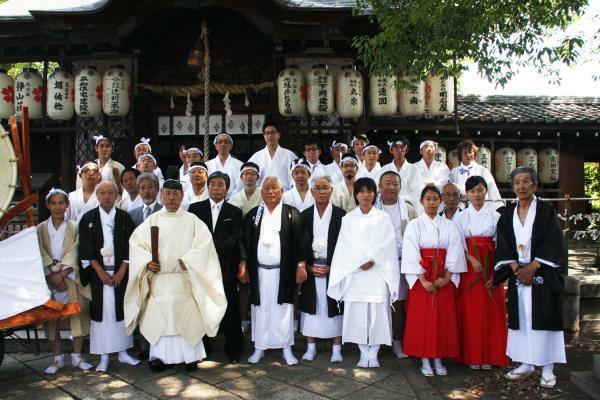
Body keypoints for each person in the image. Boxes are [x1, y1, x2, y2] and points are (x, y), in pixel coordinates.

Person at [125, 179, 226, 372]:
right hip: (160, 278)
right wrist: (148, 262)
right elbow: (137, 245)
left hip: (182, 278)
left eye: (175, 194)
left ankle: (190, 356)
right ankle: (159, 357)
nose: (171, 198)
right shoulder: (152, 221)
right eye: (168, 194)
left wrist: (189, 259)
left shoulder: (192, 220)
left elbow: (204, 245)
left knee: (186, 316)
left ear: (181, 196)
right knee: (160, 317)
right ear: (161, 195)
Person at [493, 167, 566, 389]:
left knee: (544, 319)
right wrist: (516, 269)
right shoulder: (507, 214)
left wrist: (533, 267)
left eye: (526, 182)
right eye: (517, 182)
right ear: (513, 186)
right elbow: (503, 244)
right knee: (521, 319)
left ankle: (547, 368)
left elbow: (554, 242)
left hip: (541, 273)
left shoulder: (546, 211)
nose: (521, 186)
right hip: (519, 274)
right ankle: (525, 362)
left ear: (534, 185)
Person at [328, 177, 400, 368]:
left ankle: (374, 353)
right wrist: (360, 261)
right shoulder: (348, 218)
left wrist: (372, 260)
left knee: (377, 313)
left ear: (374, 194)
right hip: (356, 272)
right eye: (361, 191)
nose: (365, 195)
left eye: (369, 191)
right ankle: (363, 352)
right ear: (356, 195)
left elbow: (388, 244)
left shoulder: (383, 217)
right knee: (357, 314)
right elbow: (345, 245)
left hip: (377, 271)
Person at [238, 176, 308, 365]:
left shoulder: (292, 213)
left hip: (283, 272)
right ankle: (259, 347)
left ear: (282, 191)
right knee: (259, 309)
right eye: (267, 188)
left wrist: (301, 266)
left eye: (274, 188)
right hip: (259, 271)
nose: (270, 192)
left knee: (283, 310)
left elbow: (301, 241)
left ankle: (286, 348)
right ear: (261, 193)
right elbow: (244, 241)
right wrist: (243, 264)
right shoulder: (254, 215)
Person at [401, 185, 467, 377]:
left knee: (442, 320)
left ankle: (439, 357)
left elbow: (454, 251)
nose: (431, 202)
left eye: (435, 199)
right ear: (421, 202)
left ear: (440, 202)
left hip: (442, 278)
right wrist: (421, 279)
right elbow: (411, 254)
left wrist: (447, 276)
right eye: (428, 199)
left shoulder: (449, 225)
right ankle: (424, 359)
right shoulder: (415, 225)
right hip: (422, 278)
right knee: (423, 320)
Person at [78, 181, 139, 372]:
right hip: (99, 274)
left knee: (121, 311)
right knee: (101, 315)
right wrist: (101, 273)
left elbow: (132, 246)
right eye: (102, 193)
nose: (106, 196)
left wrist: (121, 271)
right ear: (97, 195)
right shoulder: (88, 218)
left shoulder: (124, 218)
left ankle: (123, 352)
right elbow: (86, 251)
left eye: (110, 193)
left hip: (121, 271)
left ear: (116, 196)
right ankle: (103, 356)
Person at [188, 172, 244, 363]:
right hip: (201, 267)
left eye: (220, 184)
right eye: (212, 184)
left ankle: (233, 350)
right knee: (201, 307)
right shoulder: (195, 209)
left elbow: (235, 238)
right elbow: (192, 235)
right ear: (207, 186)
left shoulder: (234, 212)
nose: (216, 188)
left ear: (226, 188)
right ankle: (203, 348)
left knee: (229, 308)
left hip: (225, 266)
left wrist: (213, 252)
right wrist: (204, 255)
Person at [454, 176, 508, 370]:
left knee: (492, 311)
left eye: (480, 190)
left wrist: (497, 272)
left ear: (486, 191)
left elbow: (503, 246)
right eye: (472, 191)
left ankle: (491, 355)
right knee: (472, 311)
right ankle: (473, 355)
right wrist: (471, 258)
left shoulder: (496, 216)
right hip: (470, 268)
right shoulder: (460, 217)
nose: (477, 194)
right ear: (467, 195)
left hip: (491, 266)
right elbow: (457, 244)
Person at [37, 188, 93, 374]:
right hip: (49, 278)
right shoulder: (40, 229)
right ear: (47, 205)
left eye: (61, 203)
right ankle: (56, 359)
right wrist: (52, 275)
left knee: (78, 315)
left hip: (70, 275)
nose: (57, 207)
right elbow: (40, 252)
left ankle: (77, 357)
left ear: (67, 205)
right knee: (51, 319)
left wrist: (62, 274)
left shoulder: (76, 227)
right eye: (53, 203)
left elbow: (76, 250)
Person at [299, 175, 345, 363]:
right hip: (312, 267)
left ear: (331, 190)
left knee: (334, 306)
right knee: (312, 307)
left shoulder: (341, 215)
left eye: (325, 187)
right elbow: (300, 244)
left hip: (333, 267)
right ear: (312, 192)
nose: (321, 191)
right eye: (317, 188)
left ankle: (337, 349)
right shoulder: (305, 215)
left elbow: (346, 245)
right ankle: (310, 347)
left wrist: (334, 267)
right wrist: (308, 267)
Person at [375, 171, 418, 359]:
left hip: (401, 262)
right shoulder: (372, 207)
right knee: (377, 304)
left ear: (400, 187)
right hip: (377, 264)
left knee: (399, 305)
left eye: (395, 183)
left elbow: (416, 235)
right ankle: (375, 342)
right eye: (387, 183)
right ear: (379, 185)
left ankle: (397, 342)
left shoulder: (408, 209)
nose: (391, 187)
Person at [449, 140, 502, 209]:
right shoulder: (454, 172)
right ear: (460, 155)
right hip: (460, 208)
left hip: (480, 207)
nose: (468, 155)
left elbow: (492, 189)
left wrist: (498, 208)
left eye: (470, 152)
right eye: (465, 153)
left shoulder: (482, 170)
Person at [378, 136, 425, 213]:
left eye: (402, 147)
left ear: (406, 150)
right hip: (387, 207)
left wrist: (416, 212)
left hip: (409, 207)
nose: (399, 150)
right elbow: (379, 190)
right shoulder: (384, 169)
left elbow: (419, 192)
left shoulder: (414, 169)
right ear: (391, 150)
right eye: (396, 147)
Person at [247, 122, 297, 190]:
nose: (270, 135)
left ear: (279, 135)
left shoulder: (289, 155)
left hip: (284, 195)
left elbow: (295, 179)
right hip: (262, 196)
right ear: (264, 136)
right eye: (267, 133)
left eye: (273, 132)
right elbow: (248, 178)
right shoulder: (256, 157)